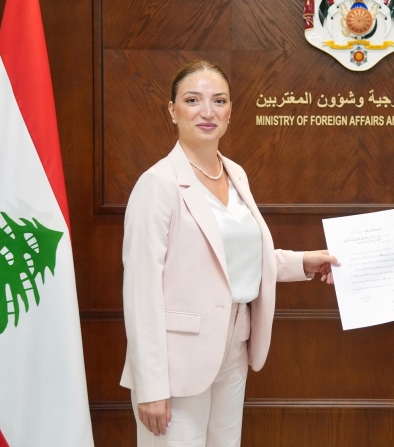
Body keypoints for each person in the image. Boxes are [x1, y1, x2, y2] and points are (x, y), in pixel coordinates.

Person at [120, 60, 336, 447]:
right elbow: (141, 291)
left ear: (230, 111)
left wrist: (303, 262)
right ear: (172, 110)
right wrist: (150, 385)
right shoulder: (157, 184)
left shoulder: (235, 174)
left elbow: (236, 259)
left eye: (218, 101)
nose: (207, 111)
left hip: (235, 348)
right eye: (193, 100)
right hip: (177, 361)